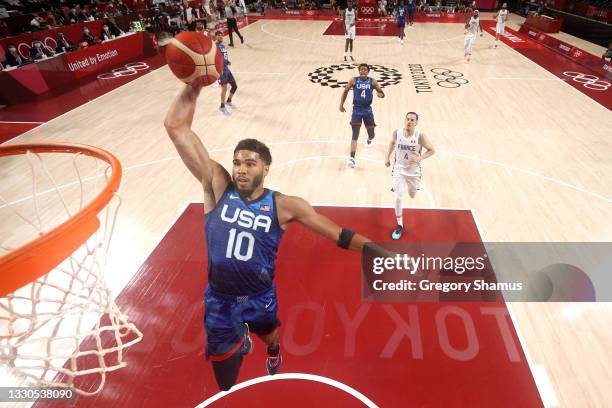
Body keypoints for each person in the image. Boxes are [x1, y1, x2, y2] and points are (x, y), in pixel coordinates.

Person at [163, 81, 385, 392]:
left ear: (266, 169)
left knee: (270, 335)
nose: (240, 169)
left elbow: (337, 233)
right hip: (220, 299)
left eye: (249, 164)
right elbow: (175, 127)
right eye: (237, 162)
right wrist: (194, 84)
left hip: (259, 295)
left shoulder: (284, 205)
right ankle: (240, 339)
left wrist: (375, 249)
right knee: (225, 382)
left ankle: (272, 349)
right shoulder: (216, 186)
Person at [385, 112, 435, 239]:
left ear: (416, 123)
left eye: (412, 120)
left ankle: (405, 186)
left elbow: (432, 150)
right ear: (404, 120)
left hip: (413, 172)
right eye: (407, 119)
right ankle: (400, 225)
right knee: (398, 197)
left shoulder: (420, 136)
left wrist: (420, 158)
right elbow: (391, 142)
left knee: (412, 195)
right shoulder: (397, 133)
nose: (409, 122)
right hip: (399, 170)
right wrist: (387, 158)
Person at [339, 63, 385, 168]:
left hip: (367, 110)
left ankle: (369, 138)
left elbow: (382, 93)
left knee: (372, 134)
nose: (363, 71)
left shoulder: (372, 81)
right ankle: (351, 158)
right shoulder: (353, 80)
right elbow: (345, 91)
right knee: (355, 134)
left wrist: (380, 94)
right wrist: (341, 105)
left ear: (368, 71)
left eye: (365, 69)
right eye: (361, 69)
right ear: (359, 71)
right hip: (357, 110)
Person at [215, 30, 238, 116]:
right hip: (220, 71)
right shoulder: (214, 47)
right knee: (224, 88)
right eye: (218, 35)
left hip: (226, 69)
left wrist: (227, 61)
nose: (221, 36)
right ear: (215, 37)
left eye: (221, 35)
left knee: (234, 86)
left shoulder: (222, 46)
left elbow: (223, 57)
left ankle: (228, 101)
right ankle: (222, 106)